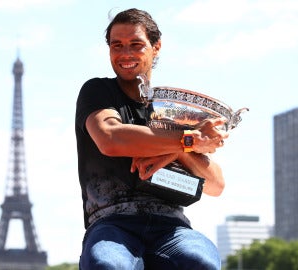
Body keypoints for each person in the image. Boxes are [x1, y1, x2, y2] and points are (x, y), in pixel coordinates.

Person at [75, 8, 228, 270]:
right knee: (109, 265)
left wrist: (179, 150)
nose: (125, 54)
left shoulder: (170, 111)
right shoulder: (98, 91)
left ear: (156, 47)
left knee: (203, 263)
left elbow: (216, 185)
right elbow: (110, 138)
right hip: (113, 222)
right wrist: (187, 139)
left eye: (136, 44)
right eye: (117, 45)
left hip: (171, 225)